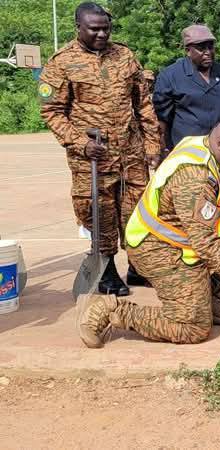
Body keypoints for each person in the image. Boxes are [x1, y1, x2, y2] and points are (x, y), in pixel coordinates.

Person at [76, 111, 220, 348]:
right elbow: (205, 243)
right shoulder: (195, 177)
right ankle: (111, 310)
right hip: (158, 248)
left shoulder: (206, 147)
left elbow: (218, 185)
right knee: (193, 328)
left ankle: (213, 300)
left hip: (185, 239)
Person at [39, 1, 161, 296]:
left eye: (106, 28)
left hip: (131, 153)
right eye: (94, 29)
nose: (102, 34)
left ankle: (138, 267)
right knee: (100, 213)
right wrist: (81, 143)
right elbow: (52, 112)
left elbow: (143, 104)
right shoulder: (62, 62)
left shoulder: (125, 55)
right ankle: (106, 271)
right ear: (78, 27)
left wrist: (152, 144)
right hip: (93, 158)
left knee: (138, 211)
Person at [152, 24, 220, 152]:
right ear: (188, 51)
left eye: (210, 47)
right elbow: (160, 119)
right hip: (186, 153)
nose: (208, 52)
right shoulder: (170, 76)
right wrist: (158, 149)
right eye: (201, 48)